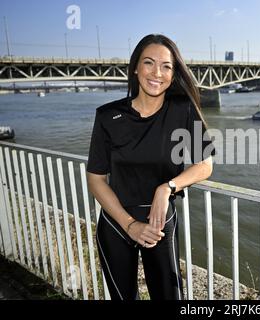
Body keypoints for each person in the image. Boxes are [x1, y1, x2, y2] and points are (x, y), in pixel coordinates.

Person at [86, 34, 214, 300]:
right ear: (135, 68)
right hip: (116, 224)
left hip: (160, 224)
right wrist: (130, 224)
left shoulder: (182, 110)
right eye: (149, 63)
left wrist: (166, 187)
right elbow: (96, 179)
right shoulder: (108, 116)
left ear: (173, 72)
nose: (157, 73)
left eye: (166, 66)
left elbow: (204, 164)